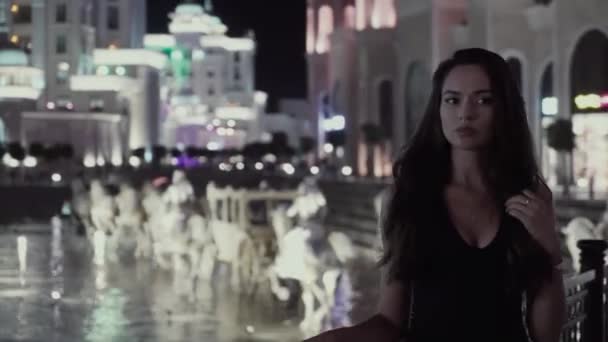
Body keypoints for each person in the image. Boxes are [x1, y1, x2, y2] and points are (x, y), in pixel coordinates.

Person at [304, 48, 566, 342]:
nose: (465, 113)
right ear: (438, 109)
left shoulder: (528, 198)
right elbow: (390, 320)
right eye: (452, 100)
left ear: (504, 109)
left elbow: (545, 335)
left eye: (484, 100)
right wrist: (337, 338)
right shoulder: (407, 199)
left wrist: (550, 250)